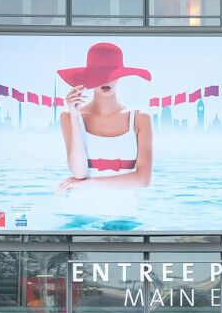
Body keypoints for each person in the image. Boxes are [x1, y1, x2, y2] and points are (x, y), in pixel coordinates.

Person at [58, 42, 152, 199]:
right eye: (99, 74)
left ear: (120, 76)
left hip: (125, 217)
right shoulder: (68, 117)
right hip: (81, 214)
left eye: (112, 74)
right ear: (89, 77)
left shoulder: (140, 119)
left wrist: (92, 183)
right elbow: (79, 173)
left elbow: (143, 179)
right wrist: (75, 116)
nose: (106, 80)